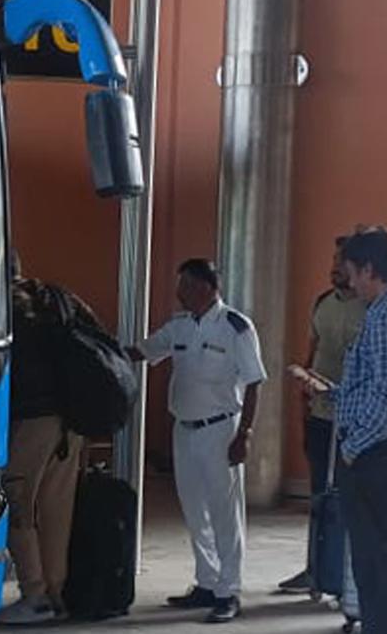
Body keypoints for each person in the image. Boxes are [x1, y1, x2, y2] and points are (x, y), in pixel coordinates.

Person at [298, 227, 387, 634]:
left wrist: (353, 448)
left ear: (369, 269)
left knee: (374, 570)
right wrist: (334, 392)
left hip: (383, 452)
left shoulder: (385, 315)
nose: (348, 281)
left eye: (351, 272)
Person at [128, 259, 267, 624]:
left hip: (222, 430)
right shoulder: (179, 326)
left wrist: (245, 434)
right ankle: (206, 582)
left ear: (206, 287)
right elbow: (143, 351)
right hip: (184, 429)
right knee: (193, 509)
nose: (179, 292)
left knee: (224, 513)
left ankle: (228, 590)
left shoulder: (236, 327)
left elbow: (254, 382)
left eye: (185, 285)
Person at [0, 256, 96, 625]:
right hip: (70, 421)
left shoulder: (5, 305)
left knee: (15, 504)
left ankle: (33, 594)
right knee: (55, 511)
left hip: (33, 420)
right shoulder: (55, 296)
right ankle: (57, 593)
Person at [278, 235, 368, 594]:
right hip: (320, 414)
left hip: (356, 418)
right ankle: (315, 568)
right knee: (319, 496)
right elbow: (311, 355)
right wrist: (303, 406)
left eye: (341, 263)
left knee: (352, 498)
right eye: (333, 261)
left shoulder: (372, 307)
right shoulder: (322, 303)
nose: (334, 268)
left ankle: (346, 576)